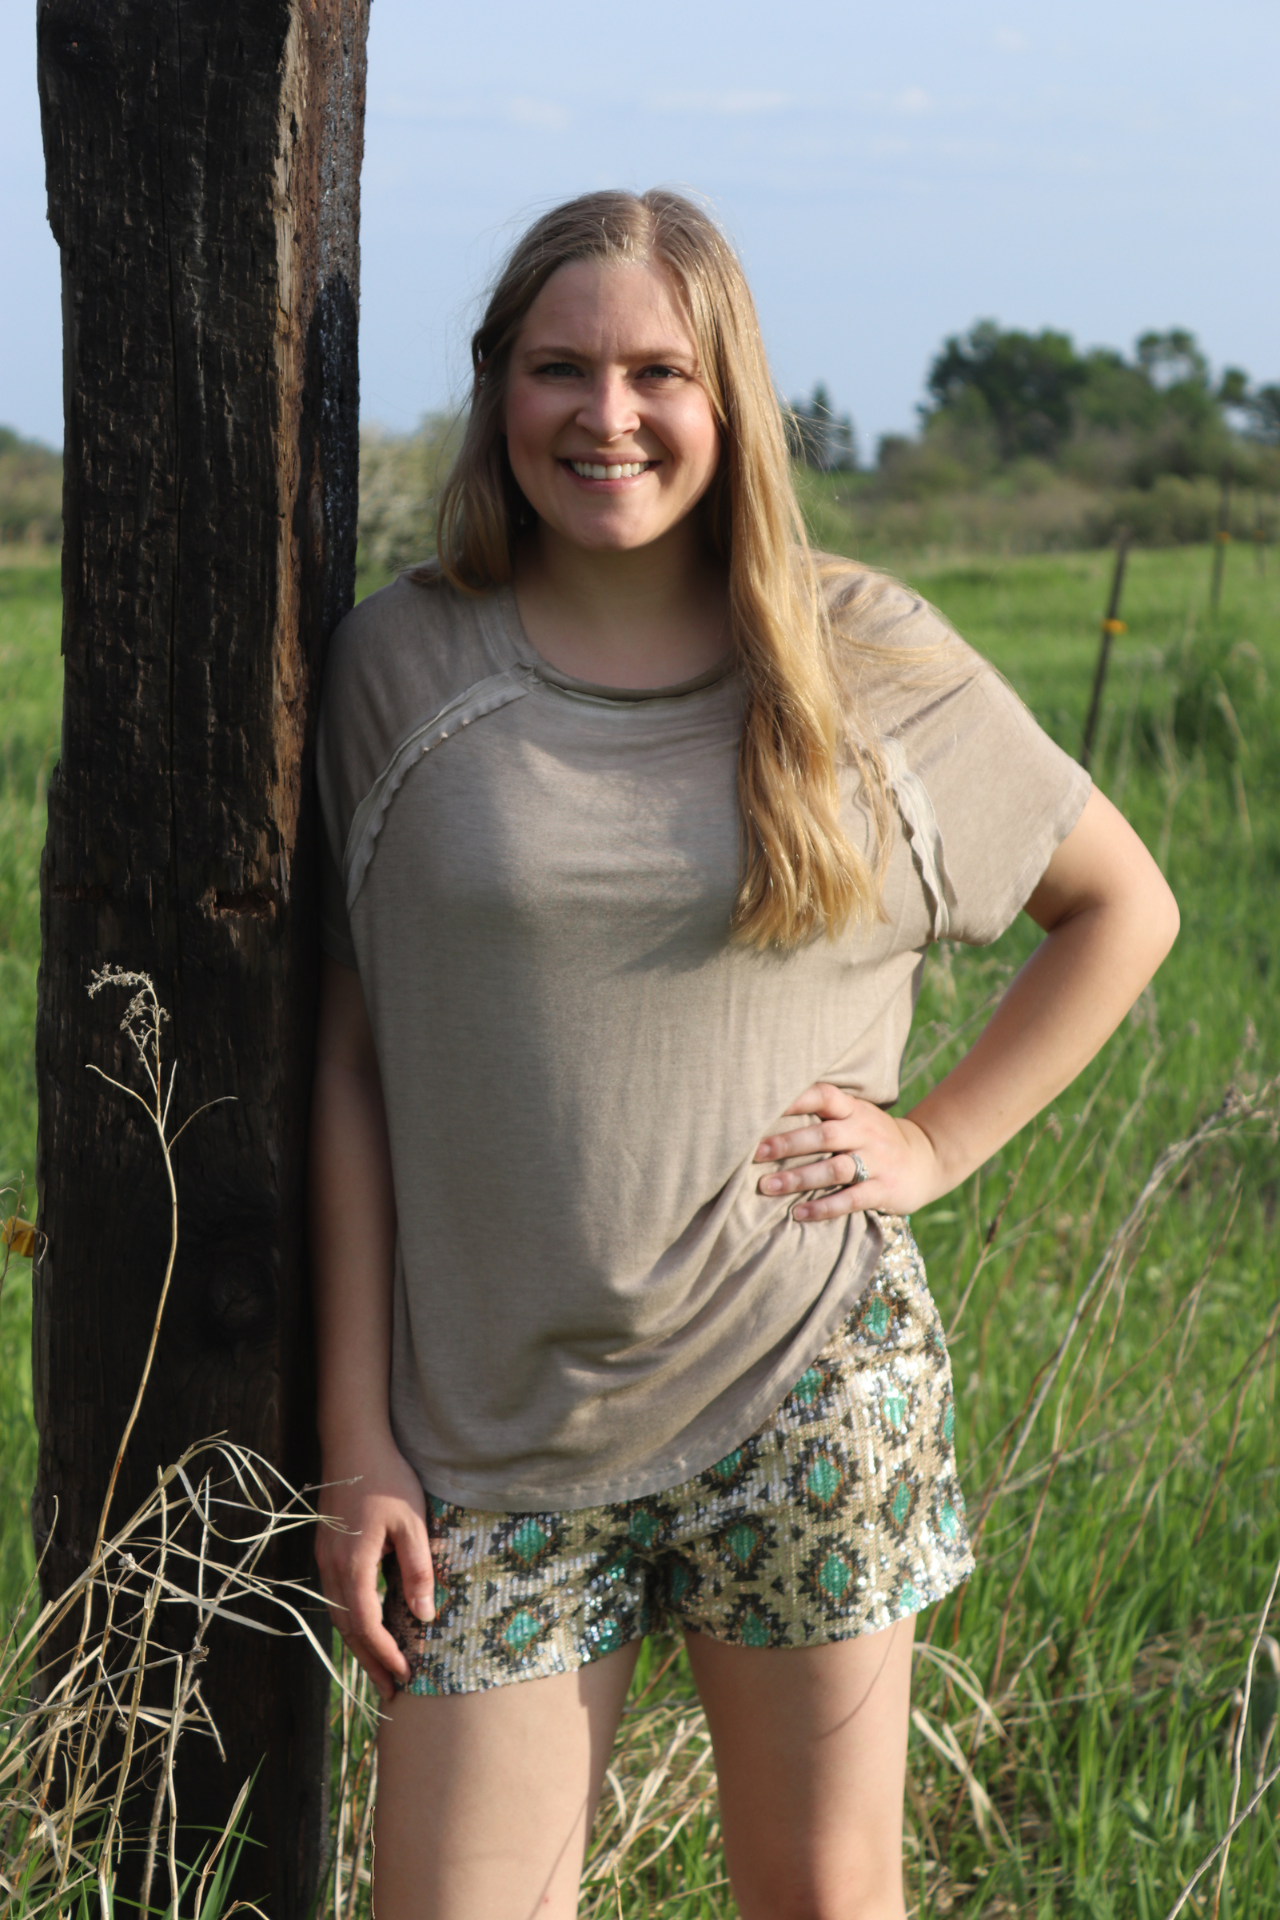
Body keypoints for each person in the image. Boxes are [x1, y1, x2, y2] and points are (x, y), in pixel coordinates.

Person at [310, 189, 1178, 1920]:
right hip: (490, 1439)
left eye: (658, 373)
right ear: (498, 393)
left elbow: (1122, 906)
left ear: (732, 400)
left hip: (806, 1389)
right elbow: (352, 1057)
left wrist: (932, 1145)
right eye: (560, 368)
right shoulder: (401, 661)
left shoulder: (862, 657)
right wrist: (359, 1434)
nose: (607, 415)